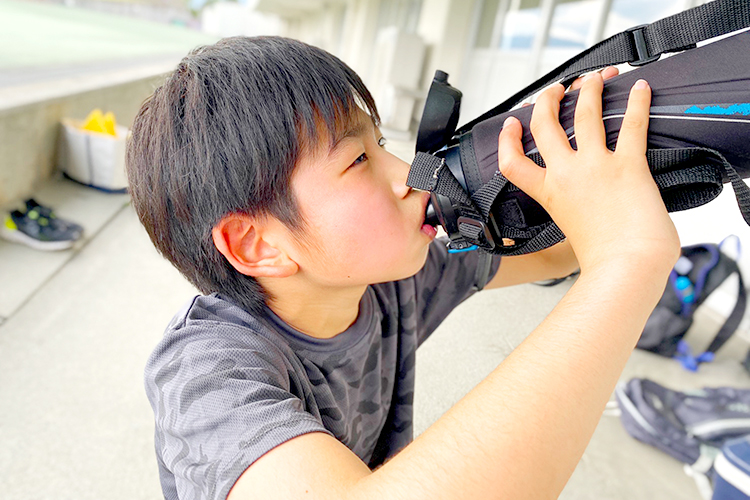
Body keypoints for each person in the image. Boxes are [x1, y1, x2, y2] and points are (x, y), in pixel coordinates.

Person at [126, 36, 679, 500]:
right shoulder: (207, 373)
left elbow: (565, 248)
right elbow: (607, 249)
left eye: (382, 142)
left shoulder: (393, 283)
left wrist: (615, 161)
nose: (410, 174)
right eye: (358, 159)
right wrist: (626, 262)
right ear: (258, 245)